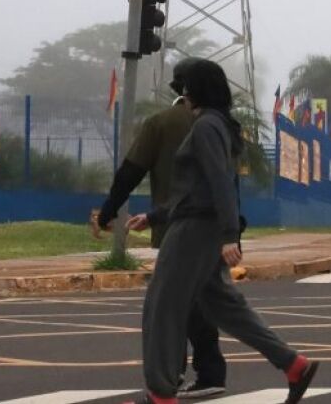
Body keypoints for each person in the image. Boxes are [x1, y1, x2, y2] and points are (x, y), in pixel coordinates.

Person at [123, 59, 318, 404]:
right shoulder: (215, 124)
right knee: (224, 307)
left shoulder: (206, 127)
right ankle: (294, 366)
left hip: (194, 232)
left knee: (163, 307)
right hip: (200, 226)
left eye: (183, 88)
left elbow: (219, 182)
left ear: (195, 90)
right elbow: (195, 188)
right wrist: (154, 217)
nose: (181, 96)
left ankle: (161, 394)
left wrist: (230, 234)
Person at [91, 58, 229, 398]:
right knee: (205, 302)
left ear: (180, 88)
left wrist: (108, 211)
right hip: (213, 229)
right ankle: (215, 370)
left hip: (178, 228)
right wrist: (231, 232)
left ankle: (168, 381)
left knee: (168, 307)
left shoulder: (162, 123)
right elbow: (226, 183)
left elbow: (130, 172)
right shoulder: (221, 123)